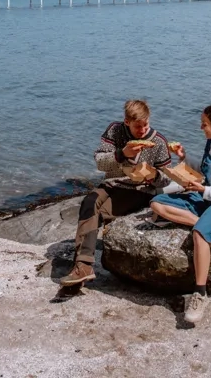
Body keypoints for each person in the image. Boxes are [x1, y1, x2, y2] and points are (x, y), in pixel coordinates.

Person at [149, 104, 211, 323]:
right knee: (157, 204)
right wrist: (185, 158)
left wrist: (203, 190)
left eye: (204, 124)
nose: (200, 127)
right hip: (206, 196)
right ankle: (204, 223)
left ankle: (200, 293)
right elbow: (206, 171)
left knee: (199, 234)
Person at [60, 99, 172, 287]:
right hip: (111, 184)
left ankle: (82, 265)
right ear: (127, 121)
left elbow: (166, 178)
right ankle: (84, 265)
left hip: (139, 190)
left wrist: (153, 176)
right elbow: (99, 161)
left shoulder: (159, 141)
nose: (143, 130)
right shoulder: (115, 130)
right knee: (89, 202)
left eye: (146, 125)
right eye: (138, 127)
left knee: (98, 214)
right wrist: (122, 154)